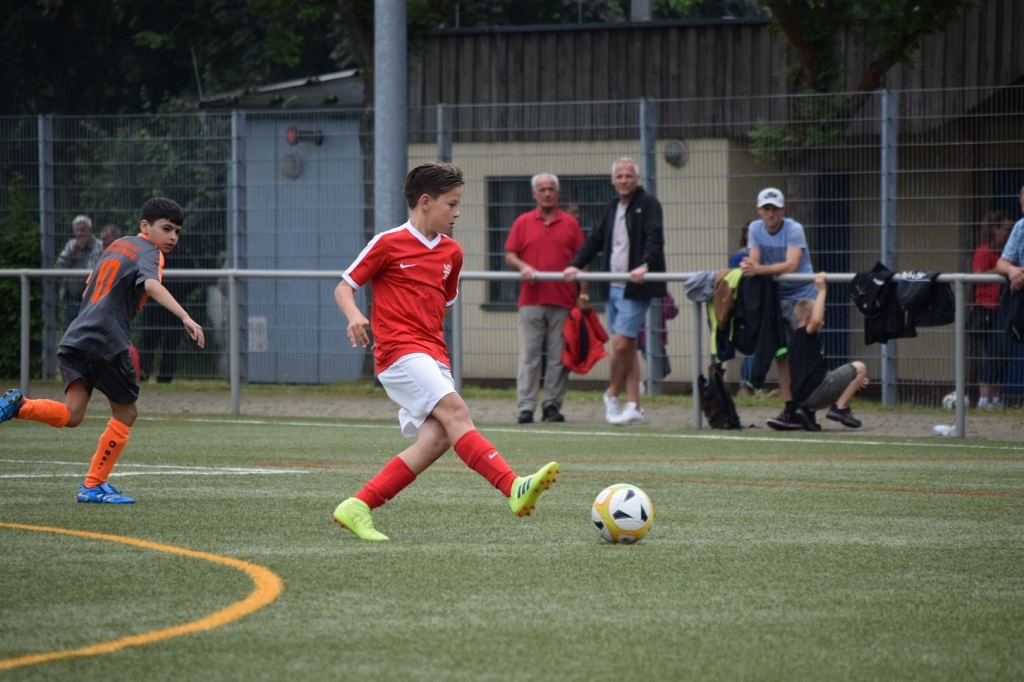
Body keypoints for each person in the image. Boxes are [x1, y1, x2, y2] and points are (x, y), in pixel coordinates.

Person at [332, 162, 559, 541]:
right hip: (399, 353)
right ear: (425, 202)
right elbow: (344, 287)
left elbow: (444, 305)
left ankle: (357, 505)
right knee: (457, 412)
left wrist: (419, 308)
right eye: (451, 205)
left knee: (437, 439)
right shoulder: (388, 243)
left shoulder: (452, 252)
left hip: (434, 354)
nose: (457, 213)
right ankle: (512, 486)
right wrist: (355, 316)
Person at [0, 198, 205, 503]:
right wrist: (185, 316)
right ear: (145, 226)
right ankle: (93, 485)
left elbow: (88, 288)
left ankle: (19, 406)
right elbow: (151, 285)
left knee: (73, 414)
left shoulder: (118, 245)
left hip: (76, 336)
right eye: (166, 229)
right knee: (127, 412)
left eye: (177, 231)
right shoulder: (151, 252)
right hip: (106, 340)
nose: (173, 237)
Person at [565, 157, 668, 426]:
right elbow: (596, 240)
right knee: (628, 345)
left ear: (637, 179)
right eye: (619, 176)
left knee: (621, 344)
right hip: (613, 285)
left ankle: (611, 394)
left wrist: (645, 265)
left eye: (628, 176)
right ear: (613, 180)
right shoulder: (612, 207)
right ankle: (634, 405)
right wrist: (576, 264)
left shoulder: (649, 204)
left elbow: (655, 237)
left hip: (636, 286)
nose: (624, 180)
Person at [505, 173, 586, 424]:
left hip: (564, 300)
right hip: (531, 300)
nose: (547, 193)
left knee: (558, 358)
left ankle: (552, 406)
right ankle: (526, 407)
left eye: (551, 189)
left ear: (558, 193)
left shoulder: (571, 224)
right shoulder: (522, 222)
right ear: (534, 194)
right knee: (529, 356)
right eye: (542, 189)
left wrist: (583, 294)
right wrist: (523, 267)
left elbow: (583, 261)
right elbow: (510, 255)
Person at [740, 187, 818, 430]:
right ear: (759, 210)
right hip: (775, 298)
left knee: (803, 353)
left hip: (803, 294)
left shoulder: (794, 229)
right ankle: (791, 407)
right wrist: (752, 268)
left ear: (783, 210)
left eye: (775, 209)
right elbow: (754, 262)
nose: (771, 213)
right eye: (766, 208)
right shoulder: (755, 229)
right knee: (781, 354)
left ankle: (809, 408)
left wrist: (758, 269)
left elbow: (792, 265)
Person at [786, 272, 869, 431]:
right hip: (815, 392)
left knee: (851, 376)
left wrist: (851, 381)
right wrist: (822, 289)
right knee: (860, 367)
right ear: (808, 319)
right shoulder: (805, 333)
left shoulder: (795, 340)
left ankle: (807, 414)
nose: (823, 322)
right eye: (822, 316)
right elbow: (816, 320)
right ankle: (840, 408)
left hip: (801, 397)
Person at [138, 236, 197, 383]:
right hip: (165, 305)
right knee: (158, 341)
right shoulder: (156, 253)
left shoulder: (154, 252)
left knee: (158, 341)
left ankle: (149, 374)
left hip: (165, 305)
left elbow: (192, 281)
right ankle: (156, 375)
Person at [971, 210, 1013, 409]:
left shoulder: (1005, 254)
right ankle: (984, 399)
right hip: (988, 309)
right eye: (1006, 229)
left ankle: (996, 398)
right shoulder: (984, 251)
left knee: (1003, 352)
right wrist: (1002, 270)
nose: (1009, 234)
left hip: (1004, 307)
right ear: (995, 229)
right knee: (994, 353)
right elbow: (978, 276)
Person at [55, 214, 104, 327]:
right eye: (77, 230)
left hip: (92, 299)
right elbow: (58, 267)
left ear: (90, 231)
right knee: (70, 330)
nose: (79, 233)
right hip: (72, 299)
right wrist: (72, 252)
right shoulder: (70, 245)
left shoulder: (99, 246)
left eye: (83, 230)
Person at [728, 230, 755, 396]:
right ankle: (747, 383)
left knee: (754, 345)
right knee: (755, 345)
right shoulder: (742, 256)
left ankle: (748, 384)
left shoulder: (737, 256)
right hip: (749, 305)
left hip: (741, 305)